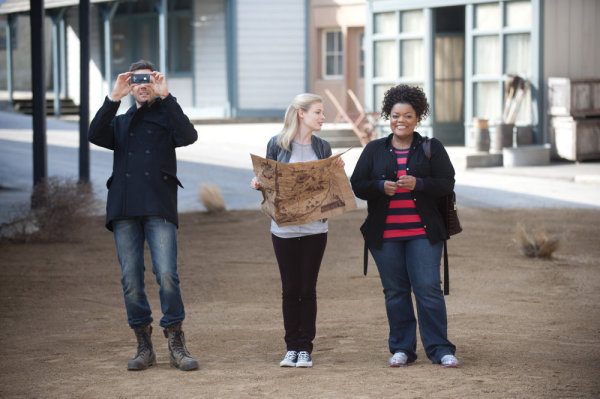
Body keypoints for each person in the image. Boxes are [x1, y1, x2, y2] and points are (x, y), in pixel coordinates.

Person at [88, 60, 199, 371]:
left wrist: (167, 96)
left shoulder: (167, 118)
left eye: (148, 79)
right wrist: (113, 98)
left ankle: (176, 341)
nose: (142, 85)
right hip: (124, 207)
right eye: (136, 81)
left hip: (158, 205)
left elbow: (189, 136)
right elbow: (95, 134)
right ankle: (144, 345)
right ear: (130, 86)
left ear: (157, 82)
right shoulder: (121, 122)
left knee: (166, 275)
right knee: (131, 279)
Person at [350, 85, 458, 368]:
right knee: (395, 292)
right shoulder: (374, 149)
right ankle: (402, 349)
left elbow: (447, 182)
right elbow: (357, 185)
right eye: (396, 115)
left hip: (423, 233)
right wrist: (378, 186)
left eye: (408, 115)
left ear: (417, 117)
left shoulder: (431, 148)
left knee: (428, 289)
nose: (401, 120)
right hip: (385, 236)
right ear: (389, 116)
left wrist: (419, 184)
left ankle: (440, 349)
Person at [250, 93, 344, 368]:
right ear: (301, 114)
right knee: (290, 288)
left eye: (322, 112)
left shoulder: (323, 147)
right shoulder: (276, 144)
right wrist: (258, 183)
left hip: (316, 228)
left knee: (308, 287)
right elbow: (269, 184)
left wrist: (336, 171)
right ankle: (291, 347)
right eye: (318, 112)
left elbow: (329, 189)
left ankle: (305, 349)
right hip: (283, 230)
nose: (322, 117)